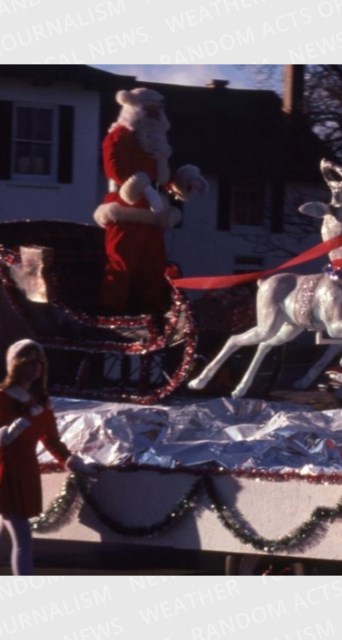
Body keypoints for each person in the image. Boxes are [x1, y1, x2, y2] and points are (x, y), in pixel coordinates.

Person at [93, 88, 207, 315]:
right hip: (126, 210)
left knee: (154, 267)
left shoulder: (156, 145)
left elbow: (163, 178)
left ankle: (151, 314)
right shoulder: (119, 135)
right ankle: (111, 312)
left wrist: (186, 181)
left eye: (158, 110)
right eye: (149, 109)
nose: (155, 115)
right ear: (135, 109)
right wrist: (143, 186)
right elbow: (115, 171)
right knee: (121, 264)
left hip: (153, 216)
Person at [0, 340, 95, 575]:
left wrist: (73, 462)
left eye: (39, 363)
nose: (35, 368)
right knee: (23, 539)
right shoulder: (2, 398)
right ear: (14, 365)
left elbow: (51, 440)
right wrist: (8, 433)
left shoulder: (41, 404)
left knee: (12, 533)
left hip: (25, 473)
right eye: (28, 362)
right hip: (3, 471)